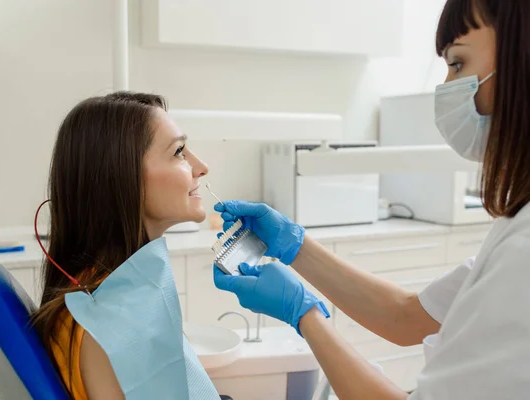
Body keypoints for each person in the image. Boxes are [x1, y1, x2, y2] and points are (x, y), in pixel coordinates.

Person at [214, 0, 530, 398]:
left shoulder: (524, 250)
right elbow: (406, 317)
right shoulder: (516, 227)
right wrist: (296, 246)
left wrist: (305, 314)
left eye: (458, 63)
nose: (448, 87)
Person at [31, 92, 210, 399]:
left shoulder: (120, 291)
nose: (201, 167)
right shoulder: (104, 324)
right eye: (179, 151)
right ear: (122, 175)